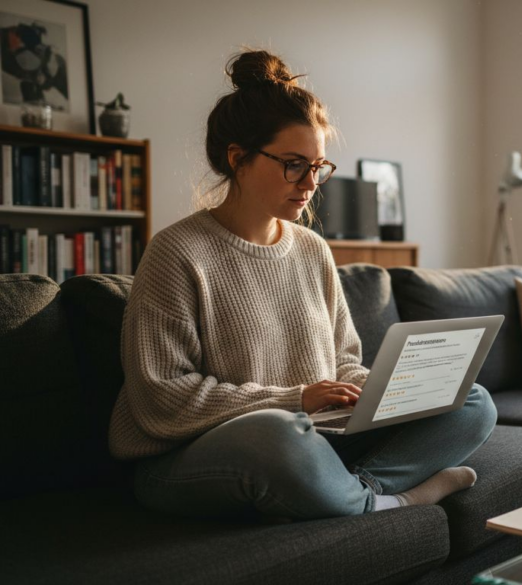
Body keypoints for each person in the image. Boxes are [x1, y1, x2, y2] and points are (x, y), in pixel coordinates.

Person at [108, 48, 497, 521]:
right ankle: (390, 498)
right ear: (239, 159)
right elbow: (161, 400)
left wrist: (386, 391)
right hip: (189, 456)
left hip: (313, 437)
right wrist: (294, 398)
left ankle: (365, 492)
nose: (311, 183)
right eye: (294, 164)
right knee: (273, 433)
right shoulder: (177, 253)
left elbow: (343, 364)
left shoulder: (312, 249)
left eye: (318, 167)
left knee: (471, 399)